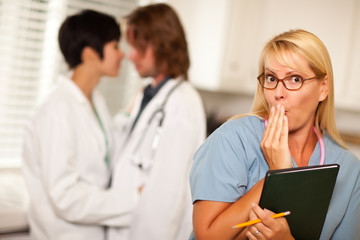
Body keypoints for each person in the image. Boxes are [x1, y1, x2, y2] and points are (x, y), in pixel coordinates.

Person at [189, 29, 360, 240]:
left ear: (323, 88)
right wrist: (277, 176)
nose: (278, 93)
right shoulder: (233, 139)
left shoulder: (350, 170)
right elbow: (207, 236)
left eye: (295, 79)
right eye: (271, 78)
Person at [22, 10, 138, 240]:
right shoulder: (56, 111)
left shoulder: (95, 101)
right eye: (115, 46)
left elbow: (100, 146)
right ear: (89, 54)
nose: (122, 55)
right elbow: (65, 197)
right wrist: (133, 199)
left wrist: (130, 114)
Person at [108, 3, 206, 240]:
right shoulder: (147, 95)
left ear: (163, 45)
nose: (131, 56)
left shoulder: (181, 103)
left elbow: (166, 197)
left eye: (139, 48)